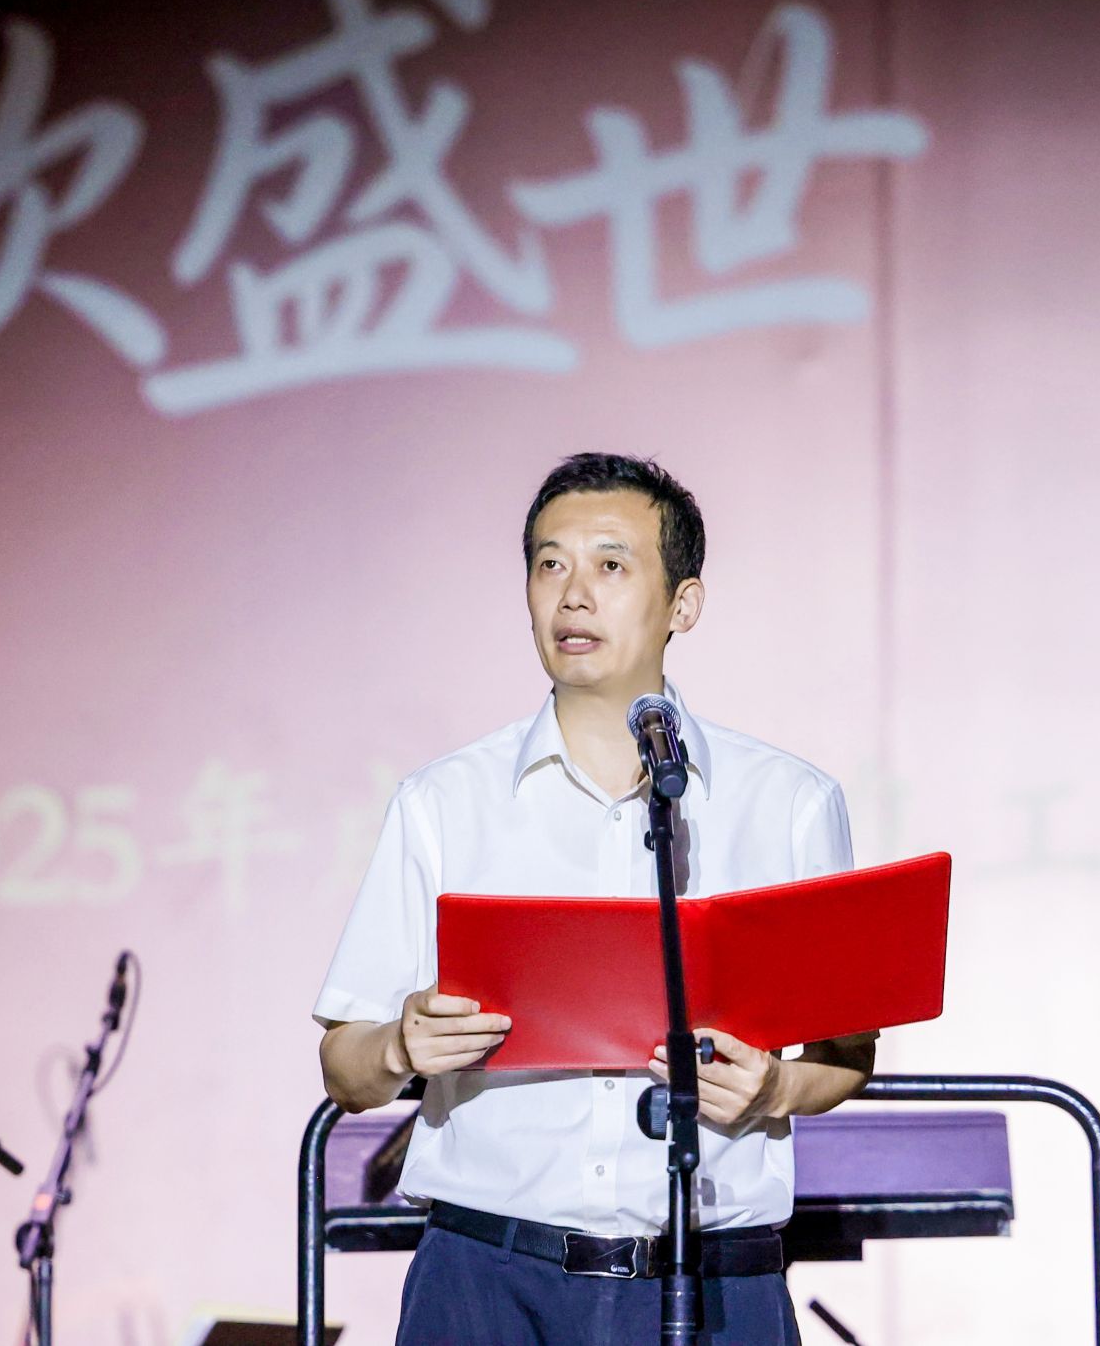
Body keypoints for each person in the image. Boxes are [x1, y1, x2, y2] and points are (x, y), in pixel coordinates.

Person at [313, 453, 874, 1345]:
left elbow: (847, 1056)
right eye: (550, 564)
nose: (572, 595)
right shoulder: (444, 802)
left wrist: (776, 1086)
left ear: (683, 603)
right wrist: (397, 1044)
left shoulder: (788, 802)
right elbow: (343, 1067)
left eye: (610, 565)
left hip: (714, 1277)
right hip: (487, 1280)